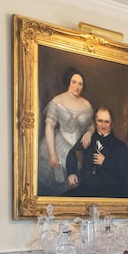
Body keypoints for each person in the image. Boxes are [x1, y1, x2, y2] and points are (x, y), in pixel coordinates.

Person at [38, 67, 94, 196]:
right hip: (58, 146)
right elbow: (49, 127)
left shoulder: (87, 105)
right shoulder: (57, 101)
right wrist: (52, 154)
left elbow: (91, 126)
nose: (77, 86)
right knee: (57, 183)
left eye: (80, 83)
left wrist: (89, 133)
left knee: (78, 183)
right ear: (68, 82)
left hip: (79, 149)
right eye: (74, 82)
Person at [64, 106, 128, 198]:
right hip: (86, 189)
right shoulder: (87, 139)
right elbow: (72, 155)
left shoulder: (120, 147)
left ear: (112, 124)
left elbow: (125, 174)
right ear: (95, 122)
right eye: (100, 121)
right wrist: (71, 173)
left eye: (107, 122)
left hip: (111, 191)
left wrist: (105, 162)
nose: (103, 126)